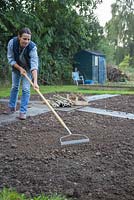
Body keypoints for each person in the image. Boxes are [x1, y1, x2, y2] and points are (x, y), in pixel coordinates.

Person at [5, 27, 39, 120]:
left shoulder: (32, 48)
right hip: (16, 66)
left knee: (26, 89)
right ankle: (11, 108)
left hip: (28, 69)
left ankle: (23, 111)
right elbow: (10, 59)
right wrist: (19, 68)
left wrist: (35, 82)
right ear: (19, 37)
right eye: (24, 38)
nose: (26, 41)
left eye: (28, 39)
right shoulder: (12, 43)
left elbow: (34, 65)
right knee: (14, 87)